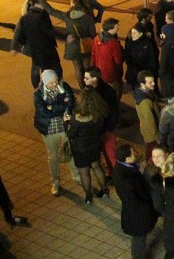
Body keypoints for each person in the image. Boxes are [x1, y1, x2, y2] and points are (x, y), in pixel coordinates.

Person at [32, 69, 79, 197]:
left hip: (64, 127)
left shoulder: (64, 87)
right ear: (45, 82)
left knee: (69, 150)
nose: (55, 84)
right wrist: (61, 107)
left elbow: (70, 103)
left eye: (56, 80)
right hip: (49, 129)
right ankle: (56, 182)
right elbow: (43, 112)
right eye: (51, 82)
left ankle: (76, 175)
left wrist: (52, 107)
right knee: (52, 156)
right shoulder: (38, 94)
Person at [113, 144, 158, 259]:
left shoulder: (124, 167)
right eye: (133, 152)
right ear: (127, 159)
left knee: (140, 237)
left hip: (137, 212)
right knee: (139, 238)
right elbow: (132, 198)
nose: (136, 152)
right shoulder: (125, 178)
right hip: (137, 214)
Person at [66, 89, 109, 204]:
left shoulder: (77, 119)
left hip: (80, 149)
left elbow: (70, 134)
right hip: (94, 146)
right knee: (97, 167)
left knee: (84, 173)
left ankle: (88, 197)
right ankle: (105, 190)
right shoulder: (99, 115)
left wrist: (67, 123)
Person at [11, 0, 63, 87]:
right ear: (36, 4)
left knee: (36, 66)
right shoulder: (41, 16)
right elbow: (49, 32)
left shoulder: (25, 17)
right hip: (45, 48)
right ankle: (53, 85)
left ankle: (37, 87)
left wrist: (14, 47)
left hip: (33, 49)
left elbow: (18, 33)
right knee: (53, 68)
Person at [84, 66, 120, 177]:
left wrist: (109, 127)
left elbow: (112, 111)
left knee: (111, 153)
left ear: (95, 79)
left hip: (106, 129)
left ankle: (117, 175)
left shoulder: (106, 92)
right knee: (105, 153)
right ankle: (110, 172)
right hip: (99, 129)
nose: (84, 80)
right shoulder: (91, 90)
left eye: (86, 78)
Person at [55, 0, 96, 88]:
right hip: (85, 45)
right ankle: (89, 87)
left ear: (73, 5)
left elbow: (52, 11)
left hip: (73, 45)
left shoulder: (67, 16)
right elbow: (93, 33)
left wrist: (41, 1)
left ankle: (82, 89)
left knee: (77, 68)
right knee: (87, 68)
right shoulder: (88, 17)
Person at [90, 17, 125, 96]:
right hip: (111, 74)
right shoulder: (113, 43)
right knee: (116, 92)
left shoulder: (96, 39)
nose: (118, 27)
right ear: (110, 29)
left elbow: (93, 56)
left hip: (99, 72)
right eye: (117, 26)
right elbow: (118, 60)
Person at [124, 22, 158, 93]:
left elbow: (152, 59)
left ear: (141, 34)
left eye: (135, 33)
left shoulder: (147, 44)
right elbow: (127, 56)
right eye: (132, 33)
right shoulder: (129, 43)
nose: (132, 35)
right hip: (133, 72)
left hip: (144, 72)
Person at [133, 71, 159, 152]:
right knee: (152, 150)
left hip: (148, 131)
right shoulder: (145, 102)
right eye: (150, 82)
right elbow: (149, 121)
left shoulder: (145, 94)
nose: (154, 83)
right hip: (151, 134)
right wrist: (157, 136)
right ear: (142, 84)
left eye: (153, 81)